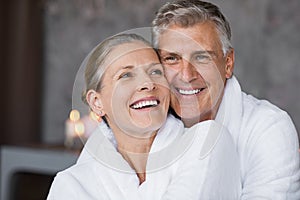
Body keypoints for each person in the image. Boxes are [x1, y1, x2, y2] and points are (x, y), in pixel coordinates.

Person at [47, 33, 241, 199]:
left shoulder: (207, 143)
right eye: (126, 75)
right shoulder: (72, 185)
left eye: (156, 72)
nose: (148, 83)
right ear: (97, 103)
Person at [152, 0, 300, 198]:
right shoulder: (145, 123)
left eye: (202, 57)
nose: (186, 75)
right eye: (172, 59)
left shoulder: (268, 128)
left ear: (228, 64)